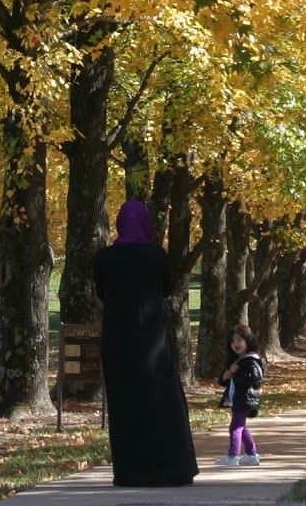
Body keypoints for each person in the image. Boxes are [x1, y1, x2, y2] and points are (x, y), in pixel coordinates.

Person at [93, 199, 198, 487]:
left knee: (125, 405)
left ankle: (131, 472)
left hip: (118, 340)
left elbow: (101, 291)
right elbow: (168, 288)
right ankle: (170, 469)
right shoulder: (156, 255)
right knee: (162, 401)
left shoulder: (104, 257)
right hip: (152, 339)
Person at [214, 324, 265, 467]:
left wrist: (237, 372)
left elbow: (255, 379)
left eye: (239, 339)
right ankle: (251, 455)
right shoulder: (237, 360)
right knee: (242, 427)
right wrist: (225, 376)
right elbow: (228, 381)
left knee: (235, 427)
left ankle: (233, 456)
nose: (235, 344)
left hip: (246, 398)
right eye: (232, 341)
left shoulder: (252, 360)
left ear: (248, 340)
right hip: (236, 398)